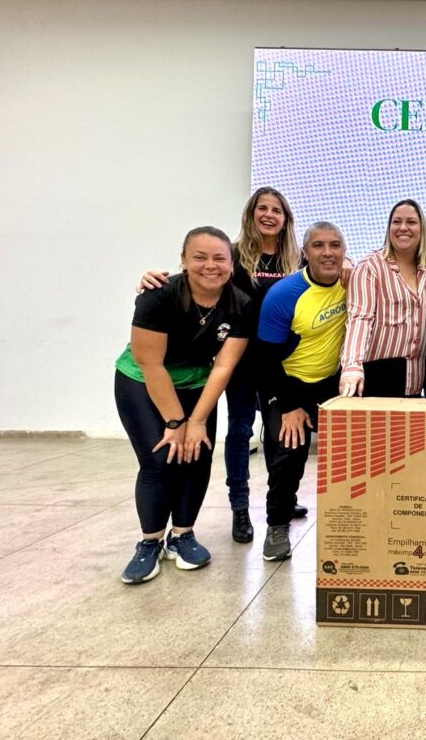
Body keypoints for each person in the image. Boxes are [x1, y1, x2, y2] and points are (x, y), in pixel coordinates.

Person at [139, 187, 304, 545]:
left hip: (281, 362)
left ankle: (283, 498)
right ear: (251, 213)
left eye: (277, 210)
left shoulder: (298, 258)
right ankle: (240, 508)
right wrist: (152, 279)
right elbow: (195, 278)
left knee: (280, 432)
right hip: (240, 360)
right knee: (241, 431)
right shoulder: (233, 255)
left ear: (286, 219)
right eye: (263, 208)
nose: (269, 215)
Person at [115, 226, 253, 584]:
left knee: (197, 453)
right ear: (184, 260)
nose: (211, 265)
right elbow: (150, 364)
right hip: (142, 380)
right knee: (160, 458)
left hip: (196, 381)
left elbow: (223, 367)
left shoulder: (240, 304)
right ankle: (149, 542)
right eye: (200, 257)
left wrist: (198, 421)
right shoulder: (158, 296)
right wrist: (176, 422)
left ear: (231, 263)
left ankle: (182, 536)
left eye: (220, 258)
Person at [256, 222, 348, 561]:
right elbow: (265, 360)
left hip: (330, 384)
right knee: (290, 452)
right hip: (286, 382)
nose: (328, 252)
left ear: (344, 251)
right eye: (319, 245)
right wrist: (289, 406)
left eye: (335, 245)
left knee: (351, 453)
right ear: (305, 252)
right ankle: (277, 526)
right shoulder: (284, 294)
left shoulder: (351, 284)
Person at [339, 199, 426, 398]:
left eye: (411, 222)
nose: (403, 227)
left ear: (422, 229)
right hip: (376, 379)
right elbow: (360, 319)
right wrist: (352, 366)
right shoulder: (369, 267)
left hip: (415, 385)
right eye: (396, 221)